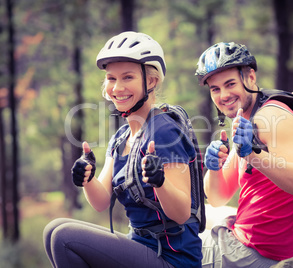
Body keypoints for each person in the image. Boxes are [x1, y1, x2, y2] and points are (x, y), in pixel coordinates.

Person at [43, 31, 202, 268]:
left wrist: (160, 183)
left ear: (151, 81)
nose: (117, 88)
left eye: (128, 77)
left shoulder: (163, 131)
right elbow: (101, 202)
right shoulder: (121, 137)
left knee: (64, 238)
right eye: (111, 78)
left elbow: (180, 214)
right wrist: (86, 178)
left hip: (172, 258)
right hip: (139, 245)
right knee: (52, 229)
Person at [195, 42, 293, 267]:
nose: (223, 95)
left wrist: (252, 155)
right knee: (199, 215)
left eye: (230, 83)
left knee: (172, 251)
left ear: (250, 77)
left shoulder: (270, 117)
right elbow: (217, 197)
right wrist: (214, 168)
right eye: (215, 89)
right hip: (251, 242)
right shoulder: (249, 119)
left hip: (256, 254)